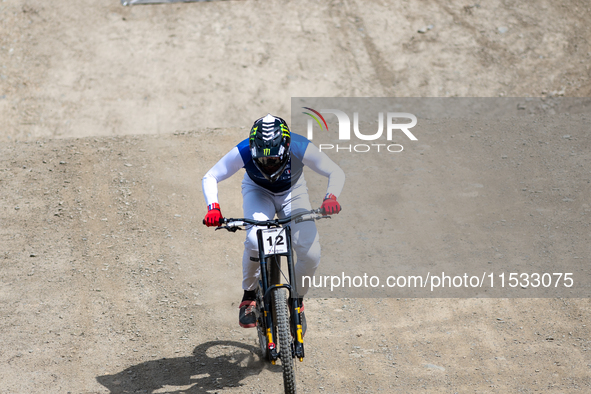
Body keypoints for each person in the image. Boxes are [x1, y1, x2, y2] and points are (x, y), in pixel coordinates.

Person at [202, 114, 345, 332]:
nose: (268, 165)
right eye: (262, 160)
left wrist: (330, 197)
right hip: (258, 192)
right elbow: (211, 176)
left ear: (287, 149)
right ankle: (249, 296)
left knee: (311, 253)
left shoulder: (300, 146)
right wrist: (213, 207)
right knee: (253, 240)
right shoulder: (244, 150)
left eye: (274, 160)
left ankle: (296, 300)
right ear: (253, 149)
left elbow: (335, 171)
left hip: (293, 192)